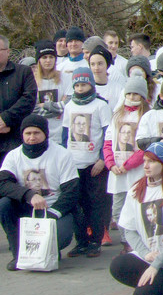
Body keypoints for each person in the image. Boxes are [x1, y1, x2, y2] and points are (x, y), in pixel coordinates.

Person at [109, 142, 163, 295]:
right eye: (145, 161)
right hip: (150, 254)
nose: (146, 166)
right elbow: (129, 229)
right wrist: (146, 254)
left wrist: (157, 263)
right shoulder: (136, 189)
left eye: (152, 161)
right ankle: (159, 285)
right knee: (118, 265)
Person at [0, 115, 78, 270]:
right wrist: (28, 195)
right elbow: (3, 183)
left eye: (36, 133)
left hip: (54, 209)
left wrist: (53, 214)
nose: (31, 138)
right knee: (4, 204)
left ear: (45, 134)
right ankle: (19, 255)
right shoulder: (13, 156)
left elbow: (72, 191)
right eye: (27, 133)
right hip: (27, 207)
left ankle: (50, 251)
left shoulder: (62, 154)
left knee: (59, 237)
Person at [61, 67, 113, 258]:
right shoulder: (69, 106)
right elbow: (65, 135)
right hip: (74, 164)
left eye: (84, 84)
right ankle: (81, 240)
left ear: (91, 83)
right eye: (77, 85)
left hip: (94, 164)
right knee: (77, 204)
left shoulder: (100, 105)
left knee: (95, 204)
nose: (81, 88)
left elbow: (109, 135)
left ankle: (95, 241)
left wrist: (101, 159)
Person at [104, 77, 150, 234]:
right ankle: (125, 241)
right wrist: (110, 164)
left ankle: (135, 242)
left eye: (136, 94)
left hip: (135, 171)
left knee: (137, 208)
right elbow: (108, 142)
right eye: (129, 93)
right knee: (118, 210)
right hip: (117, 172)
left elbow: (145, 147)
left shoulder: (145, 116)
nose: (132, 97)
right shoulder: (117, 115)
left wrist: (128, 165)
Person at [0, 34, 38, 165]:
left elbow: (29, 99)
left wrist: (5, 119)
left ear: (8, 51)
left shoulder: (23, 72)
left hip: (15, 141)